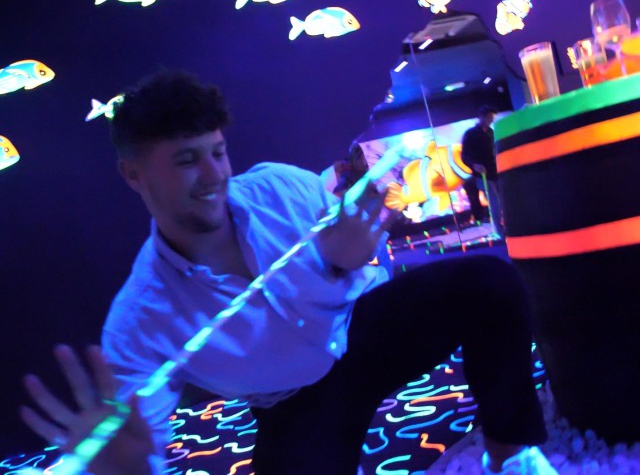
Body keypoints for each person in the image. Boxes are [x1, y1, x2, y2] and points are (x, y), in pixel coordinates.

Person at [22, 70, 558, 475]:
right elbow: (143, 441)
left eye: (217, 152)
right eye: (187, 160)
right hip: (290, 400)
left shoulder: (279, 187)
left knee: (489, 282)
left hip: (364, 328)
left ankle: (510, 452)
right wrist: (130, 468)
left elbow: (350, 252)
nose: (213, 175)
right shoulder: (140, 317)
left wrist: (344, 262)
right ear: (133, 175)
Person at [461, 105, 504, 236]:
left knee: (503, 201)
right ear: (481, 117)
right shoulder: (470, 134)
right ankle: (500, 231)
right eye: (489, 117)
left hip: (496, 172)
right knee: (495, 203)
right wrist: (475, 165)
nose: (491, 120)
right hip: (482, 175)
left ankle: (507, 227)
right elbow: (465, 155)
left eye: (492, 117)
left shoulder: (491, 132)